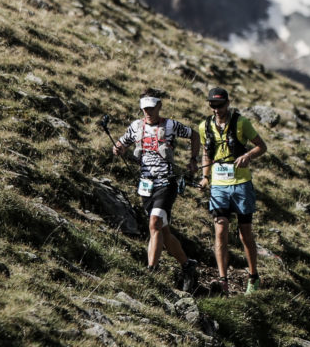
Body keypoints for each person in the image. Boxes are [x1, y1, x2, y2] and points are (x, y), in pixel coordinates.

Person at [113, 89, 200, 292]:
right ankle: (188, 266)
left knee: (154, 224)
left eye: (152, 108)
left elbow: (194, 135)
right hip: (146, 185)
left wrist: (193, 159)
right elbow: (121, 143)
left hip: (166, 183)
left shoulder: (170, 125)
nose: (148, 112)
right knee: (163, 232)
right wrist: (117, 149)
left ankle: (151, 273)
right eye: (145, 109)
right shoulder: (136, 126)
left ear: (159, 106)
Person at [197, 87, 268, 294]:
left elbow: (261, 146)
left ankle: (253, 276)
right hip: (219, 185)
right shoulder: (204, 126)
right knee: (220, 230)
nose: (216, 109)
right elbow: (206, 152)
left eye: (220, 105)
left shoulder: (241, 122)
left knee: (245, 233)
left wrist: (248, 156)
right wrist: (205, 177)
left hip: (241, 184)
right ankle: (223, 279)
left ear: (228, 103)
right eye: (213, 105)